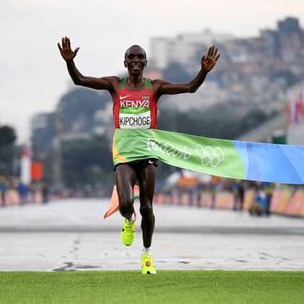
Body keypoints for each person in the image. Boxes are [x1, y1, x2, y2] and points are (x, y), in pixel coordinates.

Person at [58, 36, 220, 274]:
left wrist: (203, 71)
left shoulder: (155, 87)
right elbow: (80, 80)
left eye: (140, 57)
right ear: (125, 62)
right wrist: (70, 62)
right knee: (126, 203)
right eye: (131, 57)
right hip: (123, 154)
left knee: (147, 207)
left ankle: (146, 256)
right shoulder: (115, 85)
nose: (135, 60)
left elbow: (190, 87)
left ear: (145, 62)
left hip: (148, 153)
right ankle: (128, 220)